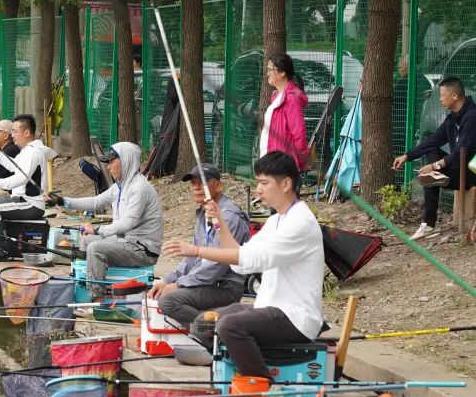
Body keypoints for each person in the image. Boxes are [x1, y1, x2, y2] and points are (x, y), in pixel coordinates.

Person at [163, 151, 325, 382]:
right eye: (258, 182)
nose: (258, 189)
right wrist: (218, 222)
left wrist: (196, 250)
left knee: (229, 325)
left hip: (295, 317)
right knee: (204, 322)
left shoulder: (300, 222)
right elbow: (240, 256)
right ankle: (232, 368)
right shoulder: (277, 219)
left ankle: (259, 384)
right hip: (269, 308)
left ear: (286, 183)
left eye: (263, 183)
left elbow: (250, 259)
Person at [148, 163, 250, 326]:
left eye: (201, 183)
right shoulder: (204, 212)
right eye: (193, 183)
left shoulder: (229, 216)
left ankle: (214, 328)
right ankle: (213, 322)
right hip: (208, 283)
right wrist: (167, 280)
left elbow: (216, 267)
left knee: (168, 301)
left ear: (218, 185)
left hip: (224, 287)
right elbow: (191, 260)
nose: (196, 188)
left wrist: (179, 285)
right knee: (157, 290)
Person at [50, 142, 162, 281]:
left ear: (126, 160)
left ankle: (97, 296)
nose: (108, 167)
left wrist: (97, 229)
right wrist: (61, 201)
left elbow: (128, 223)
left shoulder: (139, 187)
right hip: (125, 242)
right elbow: (95, 202)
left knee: (95, 249)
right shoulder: (119, 187)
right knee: (87, 241)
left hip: (142, 249)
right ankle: (84, 283)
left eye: (111, 161)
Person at [392, 77, 476, 240]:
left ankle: (437, 179)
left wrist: (435, 166)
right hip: (459, 168)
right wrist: (407, 156)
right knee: (432, 151)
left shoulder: (472, 116)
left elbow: (461, 152)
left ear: (454, 96)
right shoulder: (453, 118)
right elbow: (433, 140)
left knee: (433, 168)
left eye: (442, 94)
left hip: (473, 172)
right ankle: (428, 224)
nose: (439, 99)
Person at [0, 114, 56, 261]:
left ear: (26, 132)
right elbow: (14, 167)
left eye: (15, 131)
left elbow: (21, 179)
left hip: (31, 204)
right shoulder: (27, 150)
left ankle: (3, 250)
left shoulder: (33, 151)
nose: (12, 135)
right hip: (22, 200)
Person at [260, 52, 310, 170]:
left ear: (282, 72)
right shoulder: (277, 96)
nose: (267, 74)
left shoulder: (291, 99)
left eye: (270, 70)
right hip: (272, 159)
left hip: (282, 163)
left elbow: (299, 134)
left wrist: (300, 163)